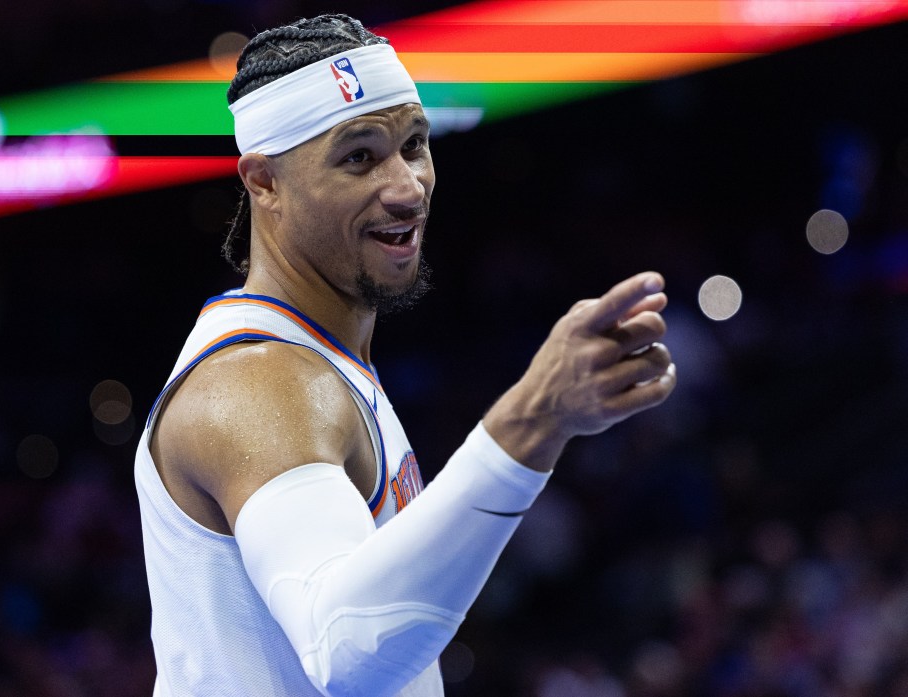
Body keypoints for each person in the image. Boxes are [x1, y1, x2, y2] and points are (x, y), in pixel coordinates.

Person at [134, 13, 676, 697]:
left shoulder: (321, 360)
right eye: (358, 156)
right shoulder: (257, 381)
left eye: (414, 145)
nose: (407, 186)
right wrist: (532, 422)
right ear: (264, 181)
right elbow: (345, 650)